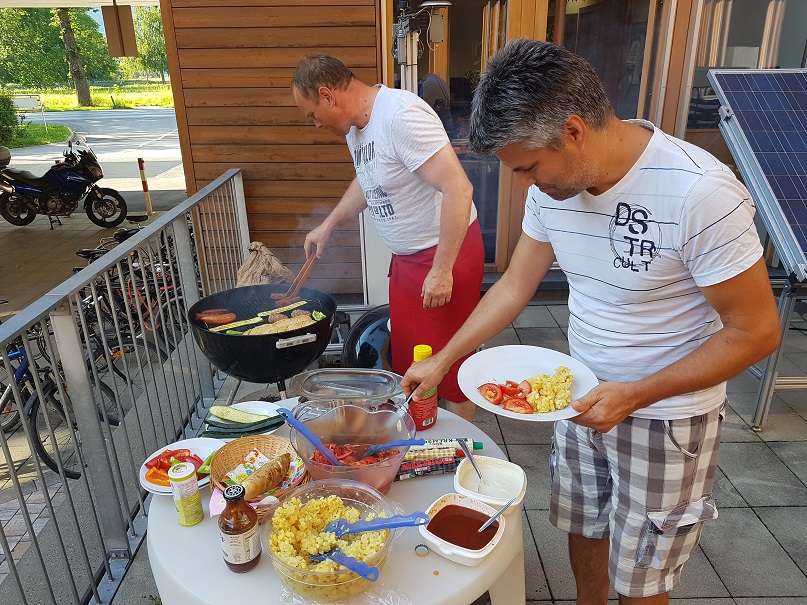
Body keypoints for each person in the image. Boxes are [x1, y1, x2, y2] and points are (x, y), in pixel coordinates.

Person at [402, 39, 781, 604]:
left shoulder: (700, 192)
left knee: (642, 577)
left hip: (666, 419)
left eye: (529, 167)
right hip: (579, 399)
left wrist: (637, 393)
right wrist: (443, 360)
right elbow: (514, 286)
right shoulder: (553, 189)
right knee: (584, 530)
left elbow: (757, 331)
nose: (525, 185)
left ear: (574, 131)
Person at [291, 54, 484, 421]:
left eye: (312, 114)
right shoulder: (356, 130)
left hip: (444, 255)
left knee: (450, 365)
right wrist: (329, 224)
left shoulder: (401, 116)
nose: (315, 124)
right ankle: (421, 434)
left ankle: (457, 443)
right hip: (407, 262)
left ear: (327, 95)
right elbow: (368, 180)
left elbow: (459, 189)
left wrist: (442, 270)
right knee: (411, 359)